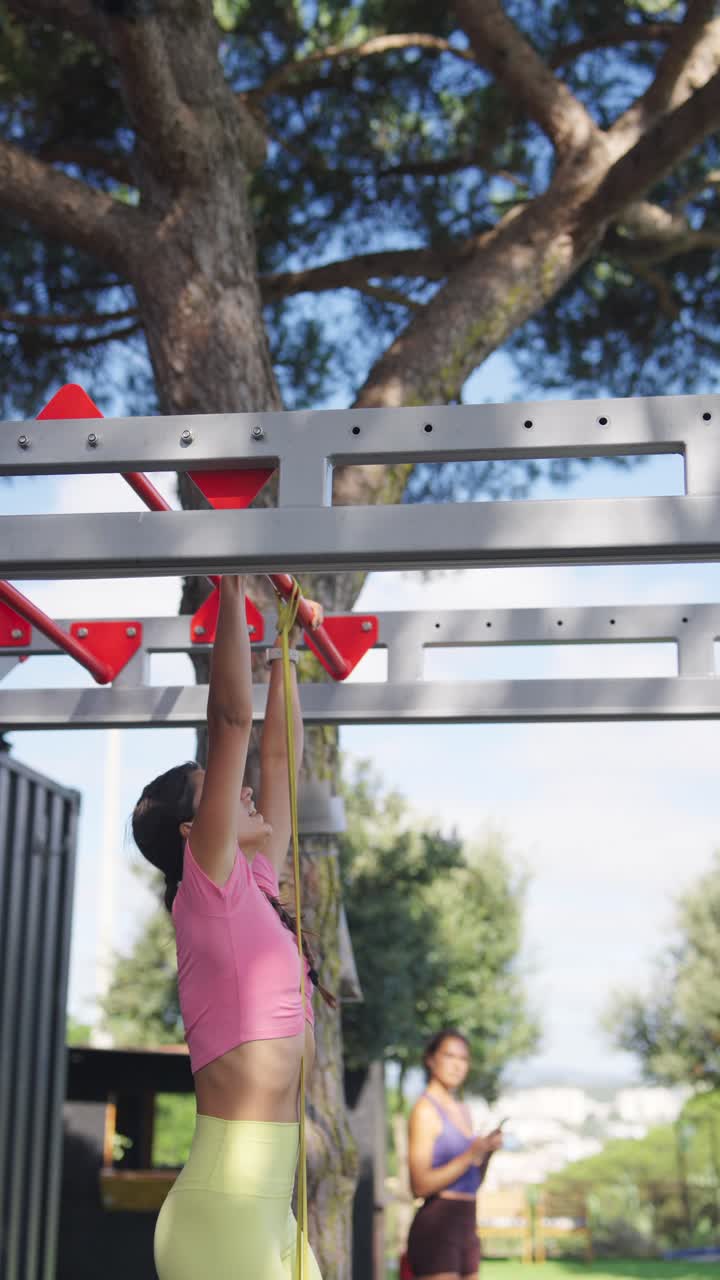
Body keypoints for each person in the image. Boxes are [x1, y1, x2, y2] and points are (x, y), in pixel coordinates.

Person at [131, 574, 331, 1280]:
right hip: (227, 1204)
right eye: (214, 785)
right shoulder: (207, 887)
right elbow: (232, 727)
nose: (241, 788)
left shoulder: (253, 883)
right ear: (194, 827)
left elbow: (276, 758)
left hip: (268, 1203)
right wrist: (231, 585)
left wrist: (283, 649)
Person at [405, 1029, 503, 1280]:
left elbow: (471, 1182)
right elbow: (420, 1185)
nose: (457, 1065)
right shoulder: (425, 1110)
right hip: (437, 1227)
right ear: (431, 1059)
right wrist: (470, 1155)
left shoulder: (464, 1110)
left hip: (468, 1225)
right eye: (450, 1056)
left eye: (464, 1059)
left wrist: (486, 1153)